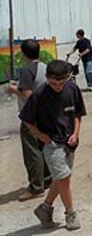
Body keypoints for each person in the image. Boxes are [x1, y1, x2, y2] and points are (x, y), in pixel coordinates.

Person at [19, 60, 86, 230]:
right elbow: (26, 120)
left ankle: (45, 208)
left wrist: (76, 133)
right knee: (63, 178)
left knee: (62, 177)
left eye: (61, 83)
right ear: (47, 78)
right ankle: (70, 214)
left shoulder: (72, 89)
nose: (57, 86)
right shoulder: (39, 95)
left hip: (70, 142)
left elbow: (78, 114)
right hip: (52, 144)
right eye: (53, 83)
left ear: (67, 78)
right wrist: (42, 136)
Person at [5, 39, 51, 201]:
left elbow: (27, 95)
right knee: (42, 148)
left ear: (23, 53)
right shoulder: (44, 67)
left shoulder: (26, 70)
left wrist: (13, 89)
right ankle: (46, 180)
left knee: (32, 152)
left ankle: (35, 187)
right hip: (44, 115)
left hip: (31, 117)